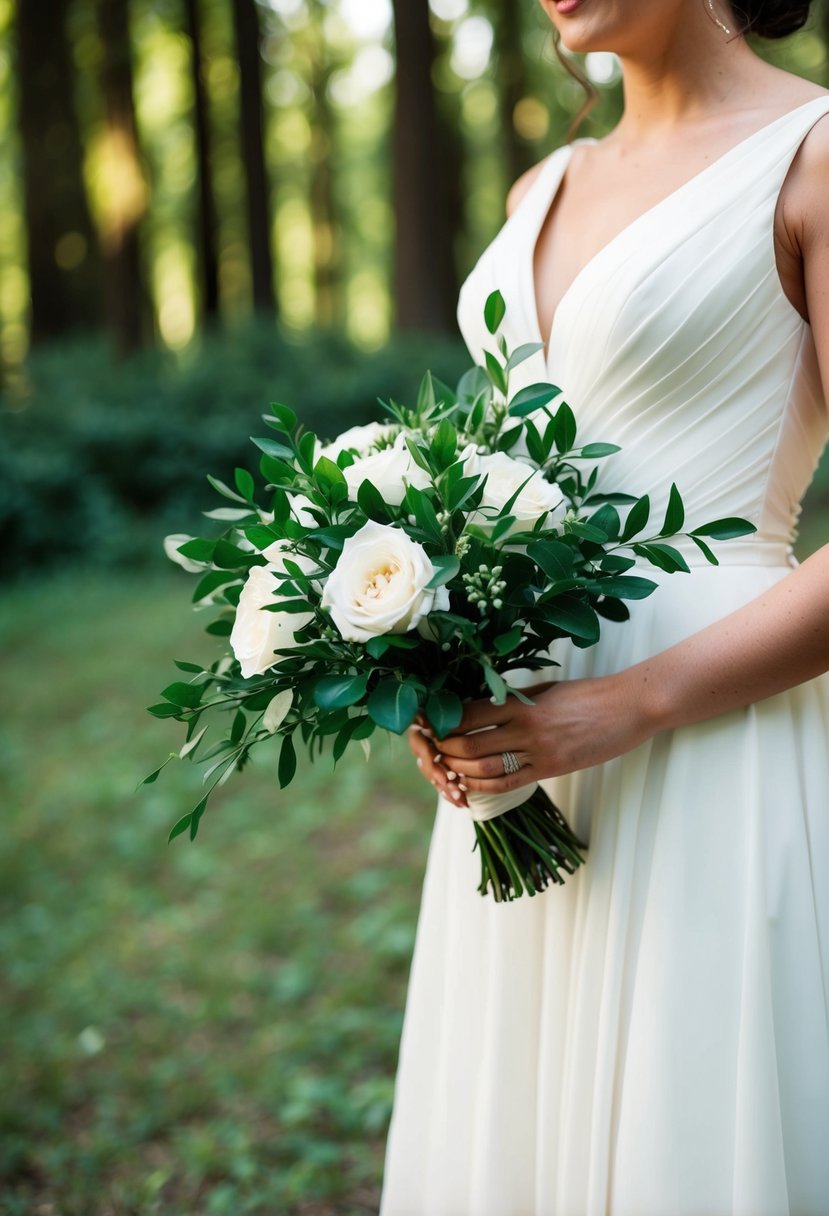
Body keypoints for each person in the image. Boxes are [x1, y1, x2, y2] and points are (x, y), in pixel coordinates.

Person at [379, 1, 829, 1213]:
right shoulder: (544, 180)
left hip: (717, 717)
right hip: (523, 743)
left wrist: (630, 703)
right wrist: (431, 659)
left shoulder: (815, 155)